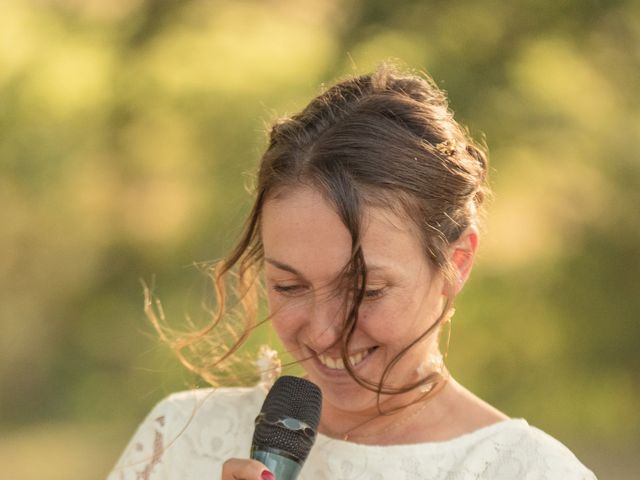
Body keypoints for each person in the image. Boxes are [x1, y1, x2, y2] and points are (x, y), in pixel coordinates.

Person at [107, 63, 597, 480]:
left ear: (456, 263)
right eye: (289, 286)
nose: (324, 332)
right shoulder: (178, 436)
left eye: (366, 290)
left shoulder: (529, 470)